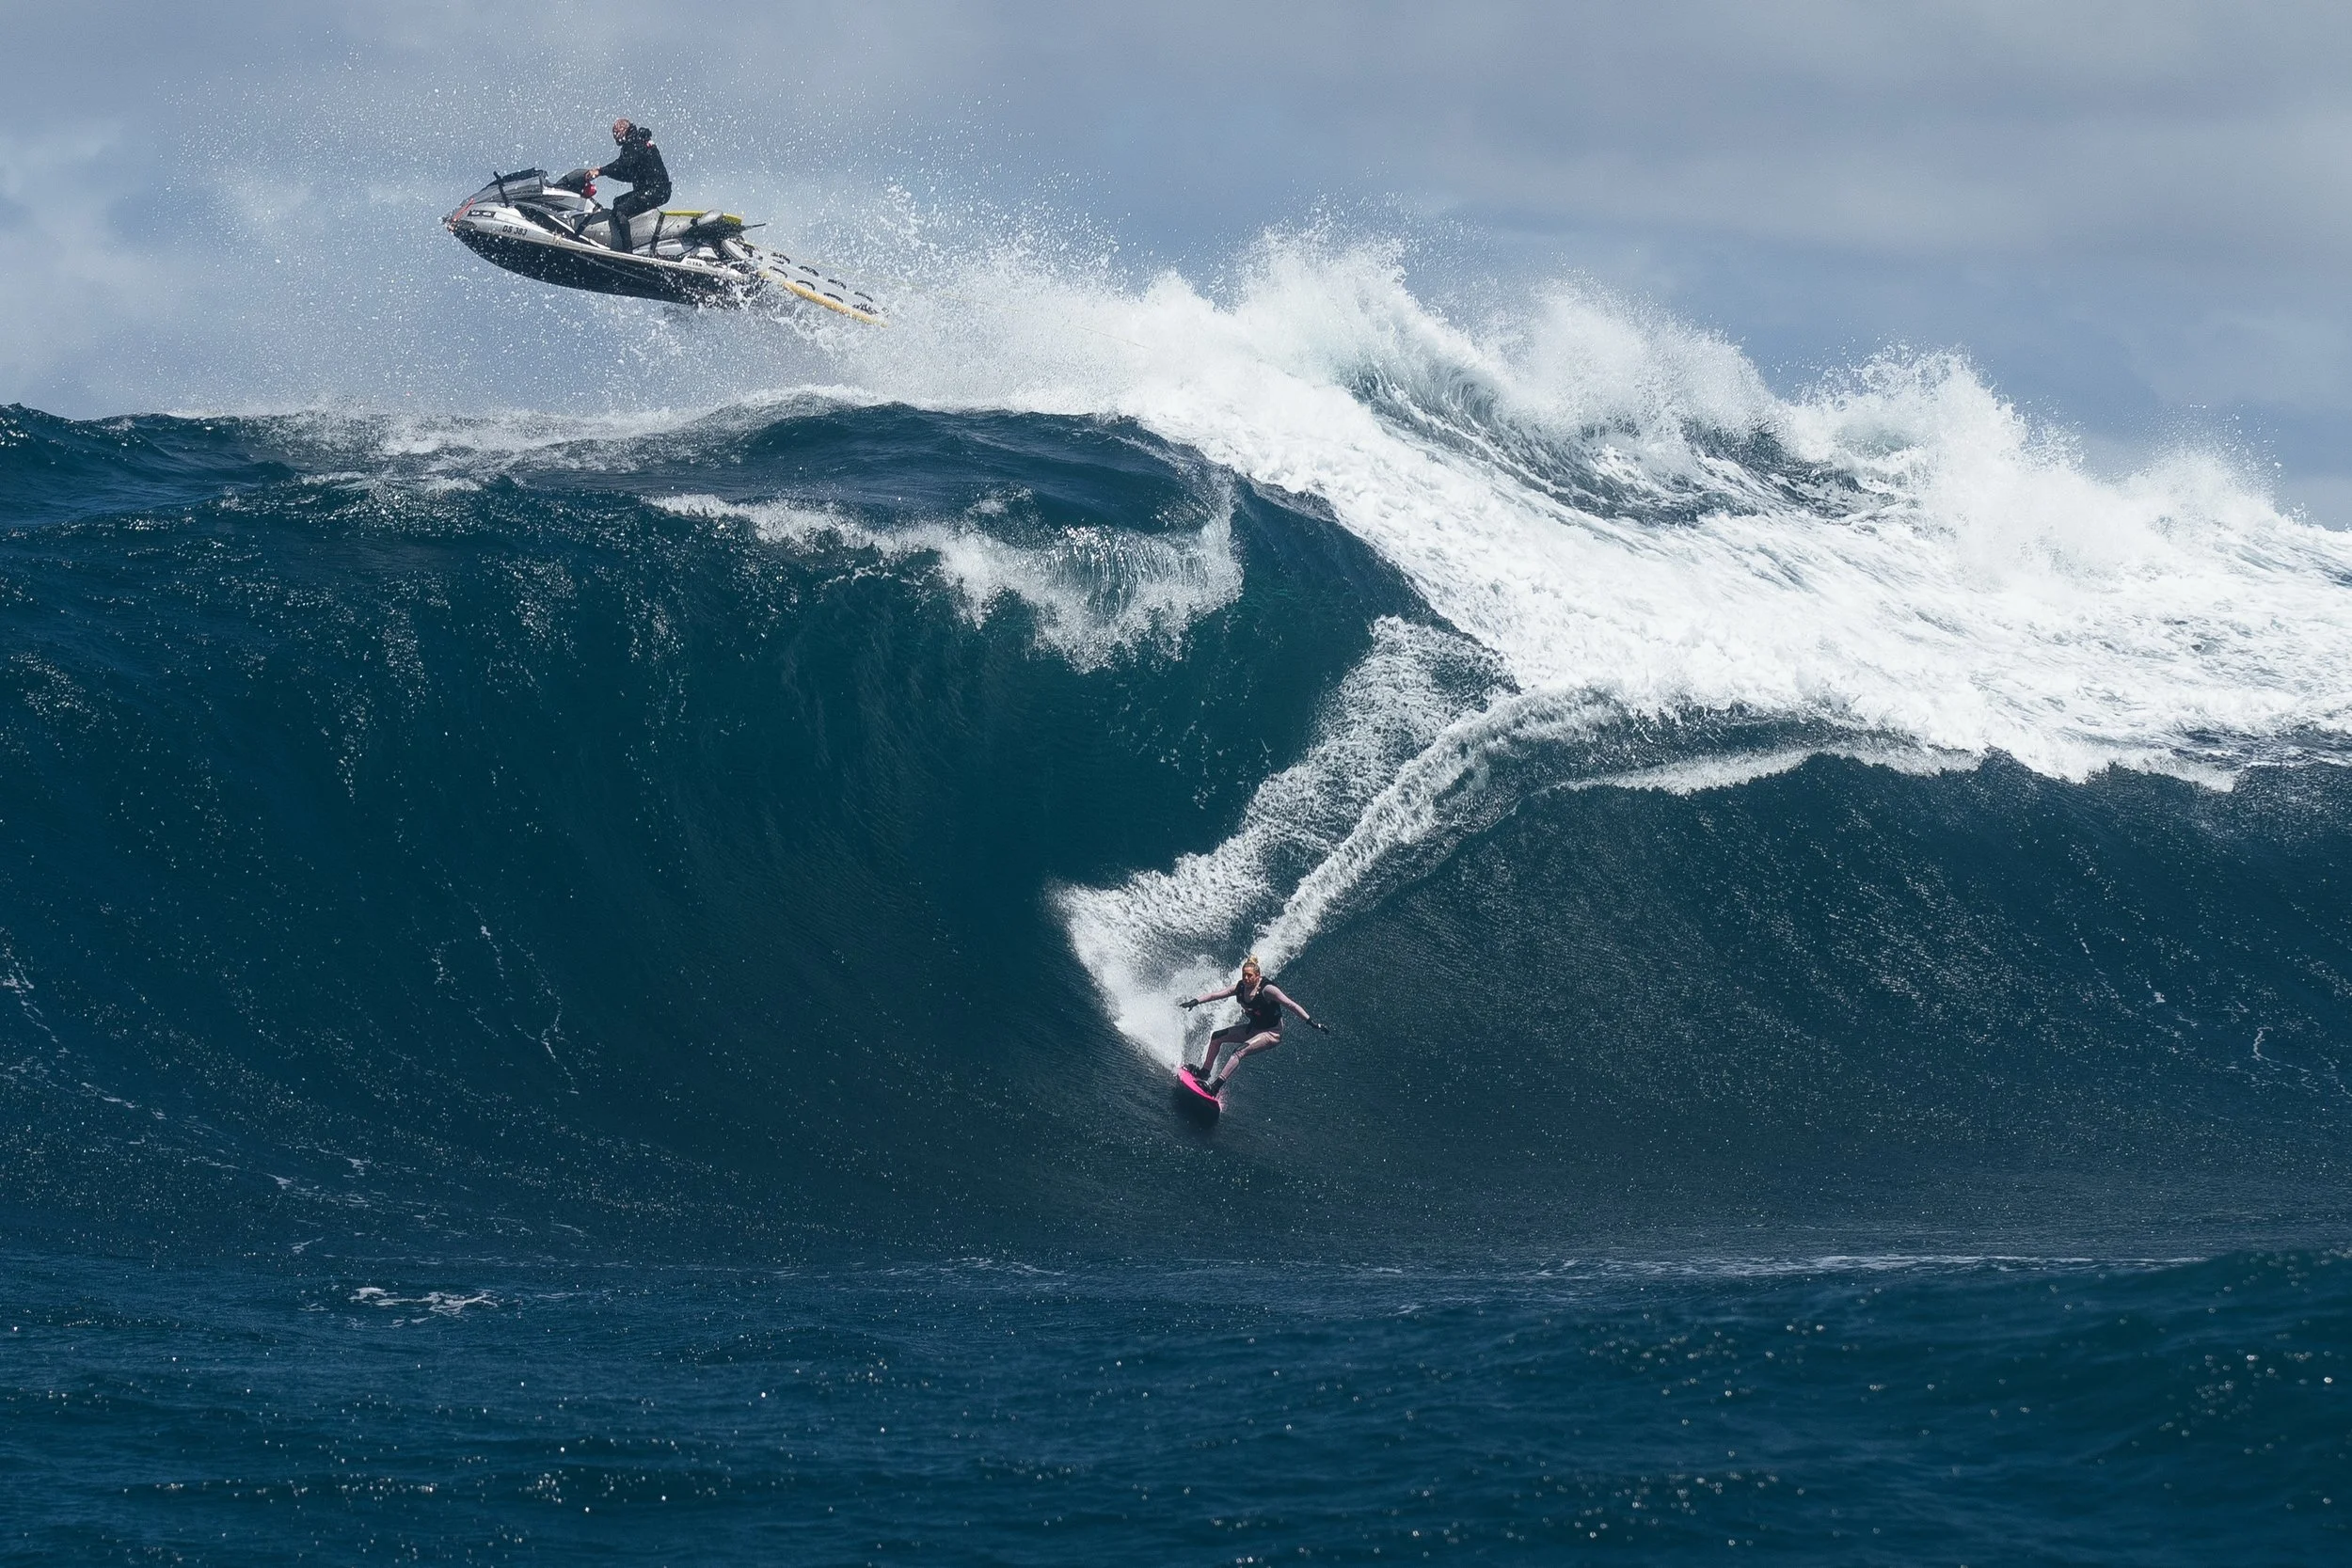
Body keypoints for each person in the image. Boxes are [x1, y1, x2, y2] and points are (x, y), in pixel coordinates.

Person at [1178, 955, 1327, 1094]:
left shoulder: (1268, 990)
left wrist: (1311, 1022)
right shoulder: (1240, 987)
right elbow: (1215, 995)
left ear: (1258, 976)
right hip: (1254, 1028)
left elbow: (1291, 1004)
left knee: (1239, 1052)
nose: (1246, 978)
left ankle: (1214, 1088)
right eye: (1244, 975)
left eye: (1250, 975)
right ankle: (1204, 1072)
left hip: (1271, 1033)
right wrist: (1196, 1001)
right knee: (1217, 1037)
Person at [588, 118, 671, 253]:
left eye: (616, 132)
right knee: (618, 202)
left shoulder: (634, 143)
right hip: (655, 190)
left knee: (620, 210)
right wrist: (605, 173)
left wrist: (600, 171)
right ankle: (640, 240)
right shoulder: (637, 142)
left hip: (656, 191)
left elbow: (622, 164)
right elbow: (626, 174)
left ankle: (627, 251)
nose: (614, 136)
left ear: (623, 130)